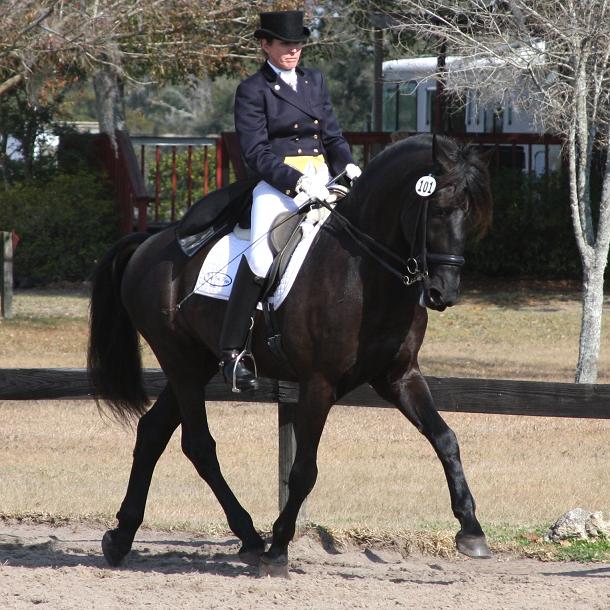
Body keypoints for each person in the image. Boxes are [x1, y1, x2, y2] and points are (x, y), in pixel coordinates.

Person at [219, 9, 362, 392]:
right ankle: (233, 352)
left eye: (298, 44)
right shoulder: (253, 89)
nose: (293, 50)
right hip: (277, 183)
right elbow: (256, 153)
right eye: (285, 43)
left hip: (322, 178)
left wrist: (347, 168)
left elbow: (332, 137)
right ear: (265, 45)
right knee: (262, 257)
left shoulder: (314, 81)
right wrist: (296, 182)